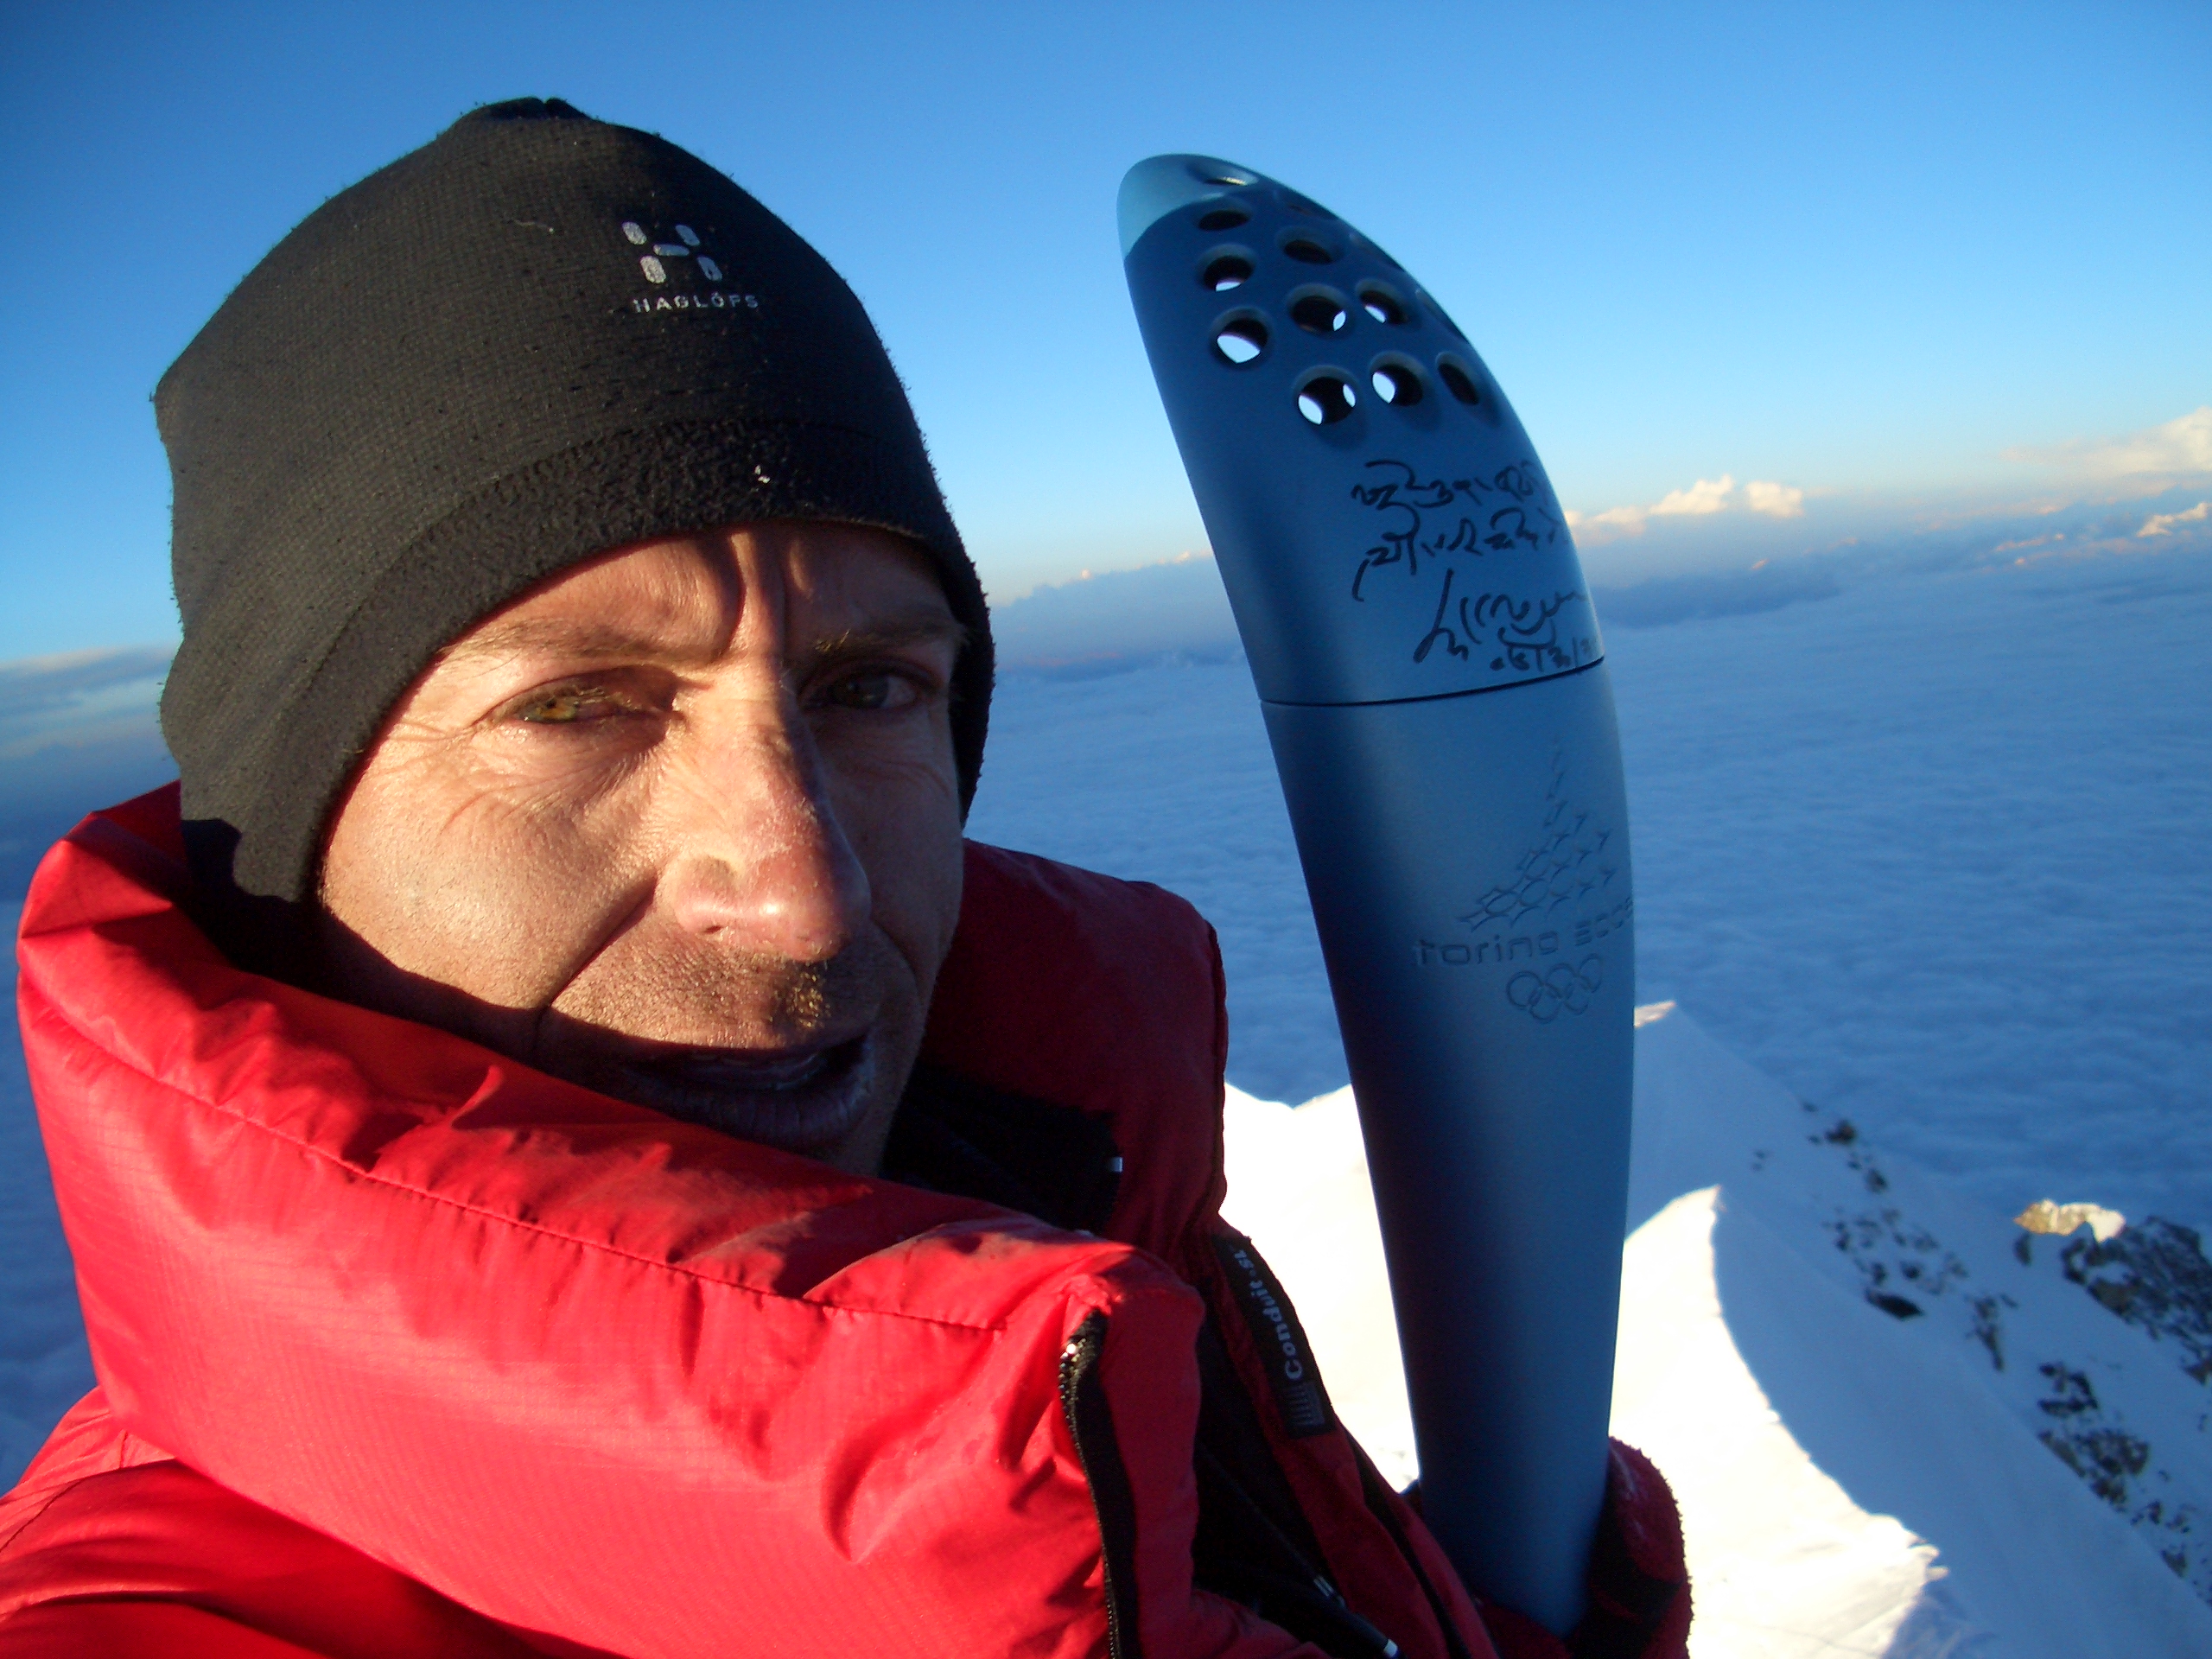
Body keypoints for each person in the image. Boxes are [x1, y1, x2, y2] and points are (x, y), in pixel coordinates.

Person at [0, 100, 1688, 1658]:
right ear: (288, 849)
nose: (802, 898)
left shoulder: (1078, 1251)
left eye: (867, 688)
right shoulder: (172, 1607)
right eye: (577, 707)